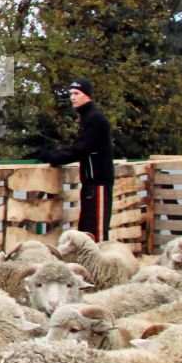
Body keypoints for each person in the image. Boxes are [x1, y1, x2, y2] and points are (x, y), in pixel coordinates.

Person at [37, 78, 115, 241]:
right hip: (90, 183)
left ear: (87, 95)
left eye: (76, 93)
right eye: (71, 93)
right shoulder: (88, 118)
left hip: (98, 182)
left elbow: (80, 149)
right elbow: (79, 147)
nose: (72, 97)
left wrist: (53, 157)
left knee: (97, 232)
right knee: (87, 229)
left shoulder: (95, 119)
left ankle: (98, 264)